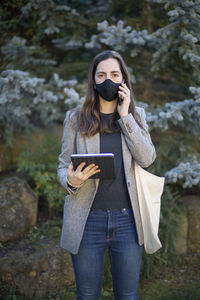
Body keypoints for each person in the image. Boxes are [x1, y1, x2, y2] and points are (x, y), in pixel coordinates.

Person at [57, 50, 156, 300]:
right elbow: (62, 165)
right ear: (93, 81)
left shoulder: (136, 115)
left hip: (128, 223)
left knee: (127, 295)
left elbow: (147, 159)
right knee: (87, 294)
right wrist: (71, 180)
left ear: (123, 80)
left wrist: (125, 117)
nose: (107, 80)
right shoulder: (75, 119)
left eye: (114, 74)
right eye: (101, 75)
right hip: (87, 221)